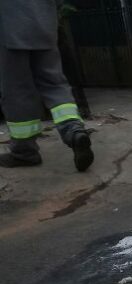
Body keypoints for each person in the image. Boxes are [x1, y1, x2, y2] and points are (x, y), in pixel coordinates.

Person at [0, 0, 93, 170]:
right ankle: (73, 130)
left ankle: (24, 152)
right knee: (55, 83)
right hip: (44, 26)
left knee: (18, 91)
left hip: (9, 28)